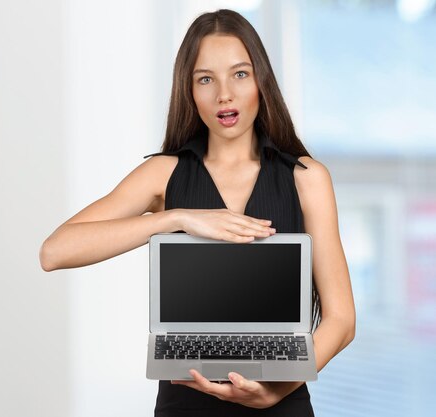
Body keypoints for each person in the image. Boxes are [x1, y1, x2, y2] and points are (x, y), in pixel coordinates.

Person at [40, 9, 355, 417]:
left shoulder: (307, 178)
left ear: (261, 80)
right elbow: (55, 252)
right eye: (205, 79)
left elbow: (341, 319)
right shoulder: (163, 174)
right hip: (184, 402)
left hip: (281, 399)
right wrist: (176, 219)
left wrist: (276, 390)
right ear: (188, 90)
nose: (224, 93)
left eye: (239, 74)